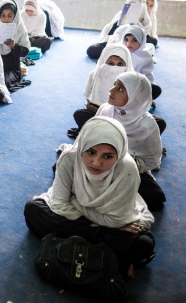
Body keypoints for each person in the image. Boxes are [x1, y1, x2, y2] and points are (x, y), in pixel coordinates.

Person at [24, 117, 156, 279]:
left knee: (143, 244)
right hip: (103, 226)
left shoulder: (127, 168)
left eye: (107, 156)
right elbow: (58, 204)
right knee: (33, 210)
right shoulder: (69, 158)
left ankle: (77, 242)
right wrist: (101, 225)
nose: (96, 162)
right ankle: (108, 253)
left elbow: (119, 220)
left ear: (119, 154)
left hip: (85, 217)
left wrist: (75, 202)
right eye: (91, 152)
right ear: (82, 147)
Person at [95, 72, 165, 210]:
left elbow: (152, 160)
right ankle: (113, 192)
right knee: (63, 167)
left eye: (120, 88)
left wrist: (121, 165)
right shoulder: (105, 109)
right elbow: (90, 139)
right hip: (98, 161)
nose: (111, 90)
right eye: (114, 85)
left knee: (156, 198)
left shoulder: (147, 125)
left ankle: (105, 191)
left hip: (128, 168)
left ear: (135, 98)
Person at [69, 43, 134, 136]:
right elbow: (89, 95)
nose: (114, 68)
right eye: (110, 63)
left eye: (120, 64)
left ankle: (98, 132)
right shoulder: (94, 74)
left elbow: (133, 105)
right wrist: (91, 105)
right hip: (98, 112)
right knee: (80, 114)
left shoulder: (131, 79)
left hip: (122, 116)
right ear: (103, 61)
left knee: (156, 123)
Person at [87, 0, 151, 60]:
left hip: (131, 45)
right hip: (114, 42)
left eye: (134, 6)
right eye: (130, 4)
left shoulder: (145, 20)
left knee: (151, 43)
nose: (131, 8)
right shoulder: (120, 16)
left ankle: (116, 56)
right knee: (92, 49)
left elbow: (142, 39)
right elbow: (109, 34)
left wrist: (135, 23)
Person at [111, 24, 162, 100]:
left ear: (141, 41)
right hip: (116, 84)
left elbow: (147, 77)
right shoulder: (118, 52)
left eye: (134, 40)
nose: (128, 44)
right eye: (126, 39)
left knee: (154, 89)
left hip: (135, 86)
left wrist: (148, 96)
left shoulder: (146, 57)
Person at [0, 0, 31, 92]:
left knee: (1, 82)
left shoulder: (21, 30)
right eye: (3, 16)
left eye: (10, 16)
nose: (6, 19)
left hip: (11, 69)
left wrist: (14, 46)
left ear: (15, 16)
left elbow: (25, 51)